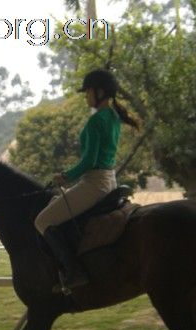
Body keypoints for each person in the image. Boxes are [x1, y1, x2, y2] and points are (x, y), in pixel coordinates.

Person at [34, 69, 139, 291]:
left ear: (99, 92)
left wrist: (64, 176)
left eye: (88, 92)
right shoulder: (113, 117)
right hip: (110, 180)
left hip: (94, 184)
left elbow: (89, 161)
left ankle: (73, 271)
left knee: (42, 221)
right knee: (55, 206)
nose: (85, 97)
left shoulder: (95, 121)